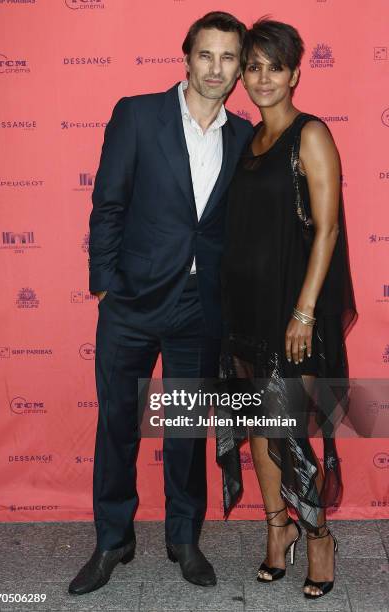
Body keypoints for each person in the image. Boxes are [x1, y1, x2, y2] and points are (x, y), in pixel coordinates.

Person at [68, 11, 254, 595]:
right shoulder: (138, 114)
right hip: (131, 301)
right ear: (187, 57)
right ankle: (112, 540)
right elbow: (108, 204)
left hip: (198, 307)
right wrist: (104, 284)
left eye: (228, 59)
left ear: (239, 68)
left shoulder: (244, 136)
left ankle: (183, 537)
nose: (216, 69)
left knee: (184, 429)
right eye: (206, 55)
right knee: (118, 422)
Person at [218, 18, 357, 599]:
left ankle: (318, 536)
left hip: (292, 310)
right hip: (243, 309)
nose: (263, 77)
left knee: (288, 427)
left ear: (296, 72)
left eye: (275, 66)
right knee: (257, 425)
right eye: (253, 66)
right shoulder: (247, 141)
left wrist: (303, 313)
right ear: (242, 77)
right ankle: (277, 529)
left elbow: (325, 231)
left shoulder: (311, 134)